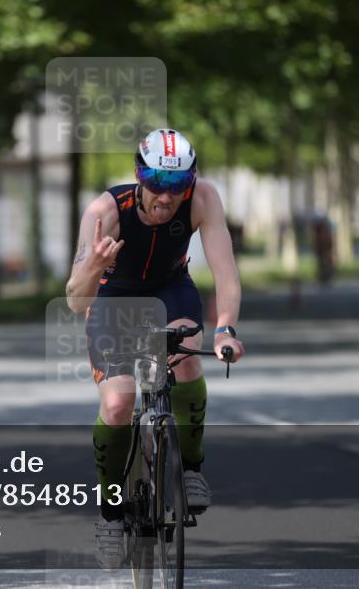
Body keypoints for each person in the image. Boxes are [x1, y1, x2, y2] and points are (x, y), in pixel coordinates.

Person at [65, 128, 245, 569]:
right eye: (157, 185)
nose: (166, 198)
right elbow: (75, 299)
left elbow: (225, 273)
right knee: (118, 404)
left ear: (191, 181)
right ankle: (110, 514)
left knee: (187, 355)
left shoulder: (203, 199)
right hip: (113, 297)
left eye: (177, 186)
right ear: (138, 177)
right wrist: (92, 268)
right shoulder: (104, 211)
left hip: (170, 288)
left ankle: (191, 467)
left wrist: (225, 329)